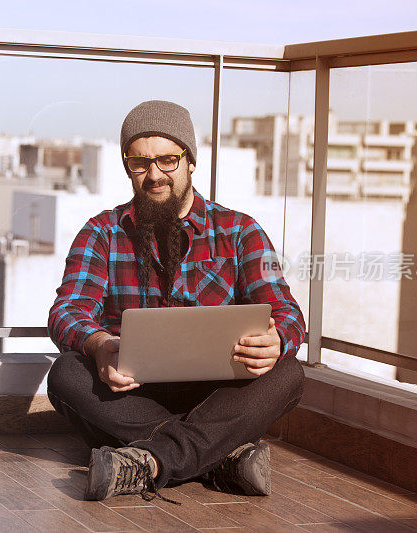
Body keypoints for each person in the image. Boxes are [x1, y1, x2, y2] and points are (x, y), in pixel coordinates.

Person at [46, 100, 306, 503]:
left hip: (219, 395)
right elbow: (68, 311)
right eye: (140, 163)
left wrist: (276, 341)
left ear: (190, 161)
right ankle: (221, 457)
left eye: (167, 160)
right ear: (128, 166)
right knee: (66, 374)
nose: (154, 175)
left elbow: (288, 313)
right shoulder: (102, 232)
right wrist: (100, 346)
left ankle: (144, 463)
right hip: (132, 392)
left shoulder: (239, 231)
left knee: (287, 373)